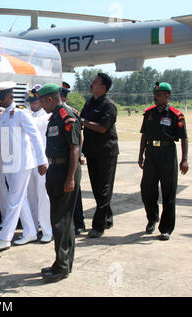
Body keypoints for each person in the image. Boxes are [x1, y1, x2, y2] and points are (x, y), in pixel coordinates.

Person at [0, 81, 47, 250]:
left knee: (13, 201)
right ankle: (30, 231)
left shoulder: (21, 114)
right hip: (9, 164)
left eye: (2, 98)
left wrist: (41, 160)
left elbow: (35, 137)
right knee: (19, 199)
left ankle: (5, 238)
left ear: (11, 96)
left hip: (22, 164)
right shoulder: (2, 115)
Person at [38, 83, 82, 283]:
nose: (39, 104)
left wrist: (70, 177)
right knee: (63, 221)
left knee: (60, 222)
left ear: (49, 99)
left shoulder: (66, 115)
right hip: (56, 169)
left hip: (65, 170)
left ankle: (62, 266)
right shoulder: (55, 116)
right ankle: (62, 263)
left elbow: (75, 147)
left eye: (40, 100)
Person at [138, 82, 188, 240]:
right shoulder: (149, 113)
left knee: (168, 192)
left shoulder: (176, 115)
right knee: (147, 189)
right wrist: (141, 155)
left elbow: (184, 138)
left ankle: (166, 228)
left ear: (167, 96)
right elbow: (144, 135)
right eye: (154, 94)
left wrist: (184, 159)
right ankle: (152, 219)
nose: (155, 97)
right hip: (151, 153)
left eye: (158, 95)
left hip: (167, 153)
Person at [80, 73, 119, 238]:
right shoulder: (90, 102)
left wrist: (84, 122)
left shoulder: (109, 105)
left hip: (106, 153)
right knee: (97, 188)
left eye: (95, 82)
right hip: (92, 152)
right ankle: (107, 218)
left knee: (104, 189)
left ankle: (98, 226)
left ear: (103, 88)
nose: (92, 83)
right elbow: (81, 119)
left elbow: (103, 128)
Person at [25, 85, 52, 243]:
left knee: (44, 197)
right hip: (30, 161)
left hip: (42, 161)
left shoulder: (45, 117)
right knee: (31, 196)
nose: (32, 104)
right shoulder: (30, 115)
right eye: (31, 102)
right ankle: (33, 228)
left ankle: (47, 230)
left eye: (35, 102)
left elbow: (32, 127)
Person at [61, 82, 86, 235]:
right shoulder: (53, 113)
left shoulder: (71, 113)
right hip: (56, 158)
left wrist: (81, 154)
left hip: (71, 157)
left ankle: (78, 223)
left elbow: (79, 137)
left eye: (64, 97)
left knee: (74, 191)